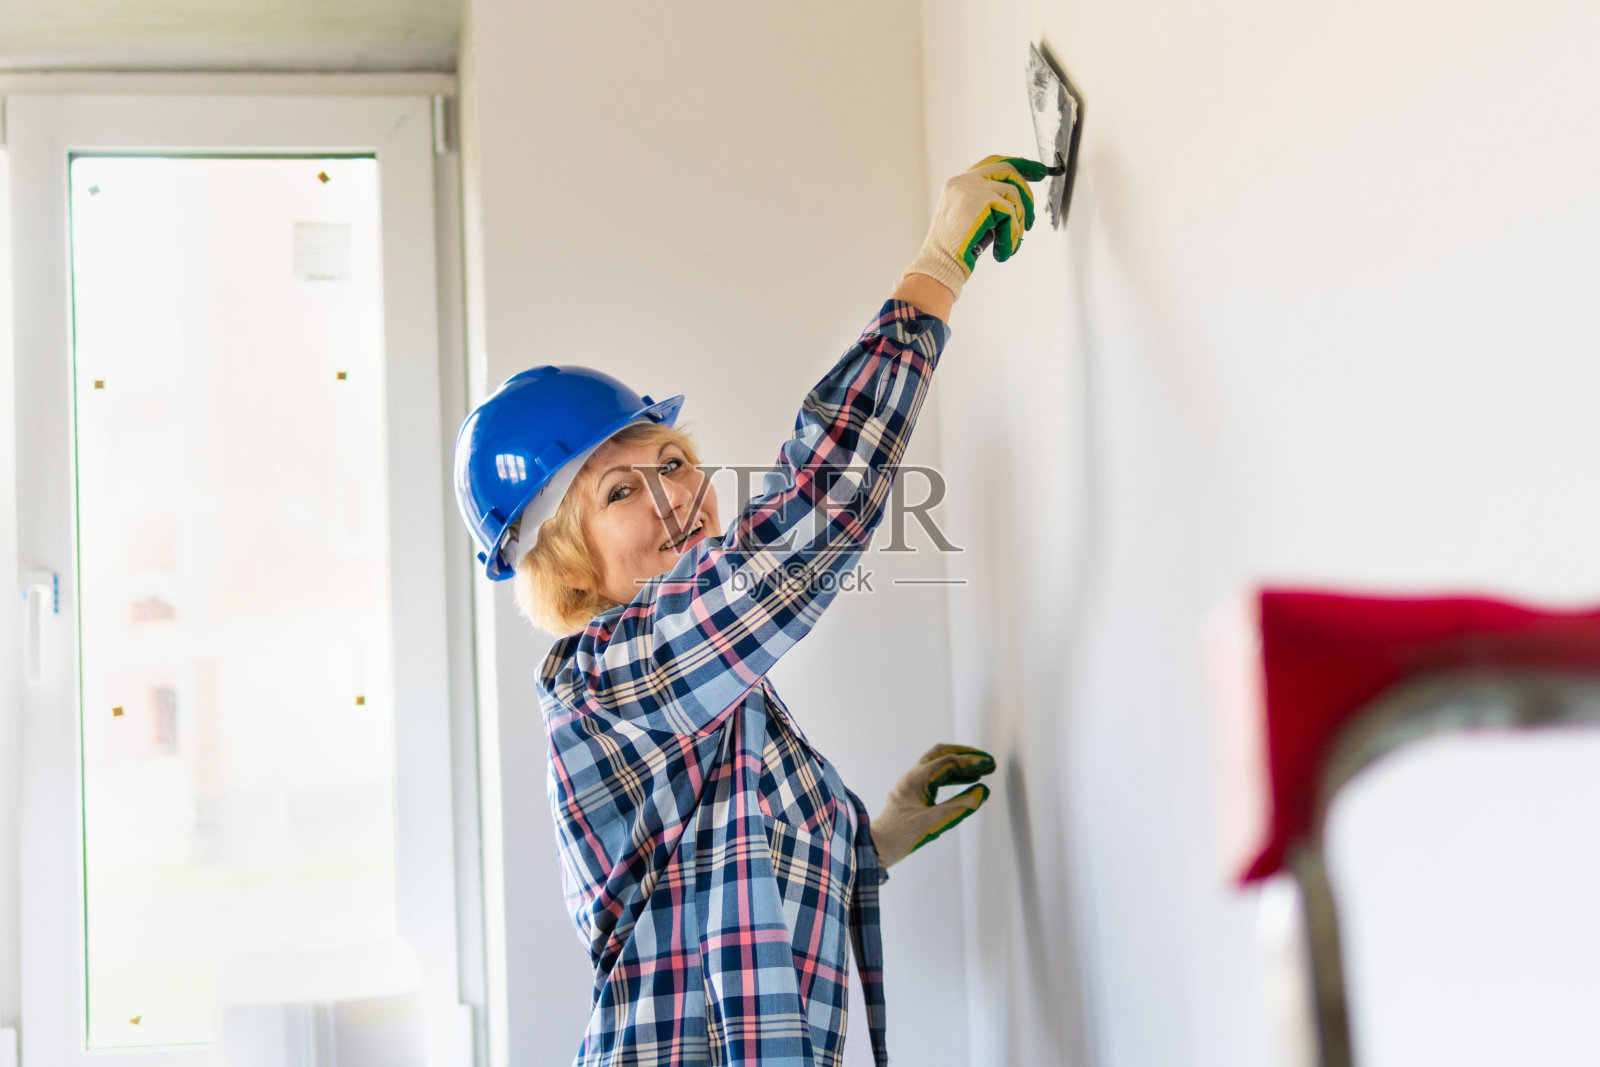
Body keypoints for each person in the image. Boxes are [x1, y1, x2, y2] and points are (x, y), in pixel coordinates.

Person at [453, 155, 1049, 1067]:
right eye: (619, 492)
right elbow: (801, 527)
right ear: (570, 566)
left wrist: (868, 837)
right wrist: (934, 272)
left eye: (673, 462)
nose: (672, 497)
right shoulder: (612, 677)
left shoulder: (707, 693)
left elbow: (726, 884)